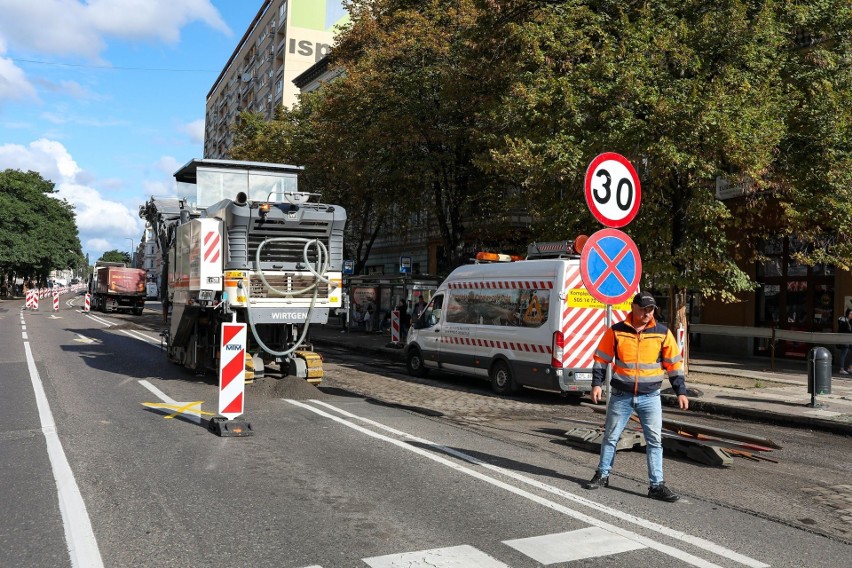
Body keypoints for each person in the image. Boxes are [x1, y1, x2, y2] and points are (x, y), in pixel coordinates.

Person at [584, 291, 689, 502]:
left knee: (655, 442)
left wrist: (681, 391)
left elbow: (674, 365)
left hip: (650, 396)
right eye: (643, 309)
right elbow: (601, 359)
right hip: (621, 395)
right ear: (633, 307)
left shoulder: (662, 333)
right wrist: (596, 384)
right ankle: (602, 475)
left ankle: (656, 486)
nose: (647, 314)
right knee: (610, 437)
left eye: (651, 310)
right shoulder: (616, 331)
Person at [837, 309, 852, 374]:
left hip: (849, 340)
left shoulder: (850, 321)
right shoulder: (843, 320)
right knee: (843, 354)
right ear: (847, 314)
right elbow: (839, 320)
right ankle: (841, 369)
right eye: (851, 313)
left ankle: (850, 367)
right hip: (844, 339)